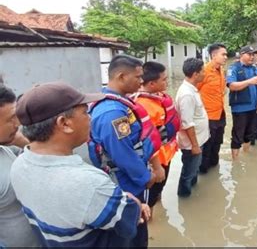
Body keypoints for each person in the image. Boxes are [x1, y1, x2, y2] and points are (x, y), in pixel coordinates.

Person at [10, 82, 148, 247]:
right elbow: (129, 220)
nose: (90, 117)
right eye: (84, 112)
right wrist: (134, 201)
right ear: (65, 124)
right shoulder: (89, 184)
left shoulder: (19, 164)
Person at [88, 54, 165, 248]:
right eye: (138, 77)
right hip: (126, 182)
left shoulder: (121, 102)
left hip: (130, 177)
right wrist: (145, 176)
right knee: (132, 233)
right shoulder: (112, 112)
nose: (141, 82)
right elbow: (122, 153)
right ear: (122, 76)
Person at [133, 61, 181, 211]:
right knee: (150, 198)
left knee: (159, 189)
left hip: (166, 155)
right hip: (156, 161)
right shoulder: (143, 105)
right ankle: (152, 224)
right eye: (164, 79)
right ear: (152, 83)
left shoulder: (159, 97)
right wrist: (156, 167)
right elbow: (147, 139)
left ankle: (159, 208)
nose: (167, 82)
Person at [0, 85, 41, 247]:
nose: (17, 124)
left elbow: (43, 158)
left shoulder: (6, 151)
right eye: (11, 119)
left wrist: (20, 139)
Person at [175, 58, 209, 197]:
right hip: (191, 145)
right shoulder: (187, 94)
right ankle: (185, 198)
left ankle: (193, 192)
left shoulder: (192, 90)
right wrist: (195, 146)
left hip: (198, 141)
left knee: (193, 170)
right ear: (195, 74)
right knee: (188, 173)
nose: (205, 74)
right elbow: (187, 123)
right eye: (203, 71)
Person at [227, 45, 257, 160]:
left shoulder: (253, 68)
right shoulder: (233, 68)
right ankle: (235, 162)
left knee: (249, 134)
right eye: (249, 54)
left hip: (253, 108)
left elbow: (256, 87)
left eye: (253, 55)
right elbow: (232, 86)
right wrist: (250, 81)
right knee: (237, 135)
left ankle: (246, 156)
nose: (252, 57)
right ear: (242, 55)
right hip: (240, 108)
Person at [197, 43, 227, 173]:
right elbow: (194, 92)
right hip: (208, 117)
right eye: (223, 54)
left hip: (220, 114)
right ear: (214, 55)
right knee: (207, 146)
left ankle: (215, 172)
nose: (226, 57)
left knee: (217, 143)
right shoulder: (203, 71)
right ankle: (203, 171)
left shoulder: (221, 70)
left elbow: (222, 91)